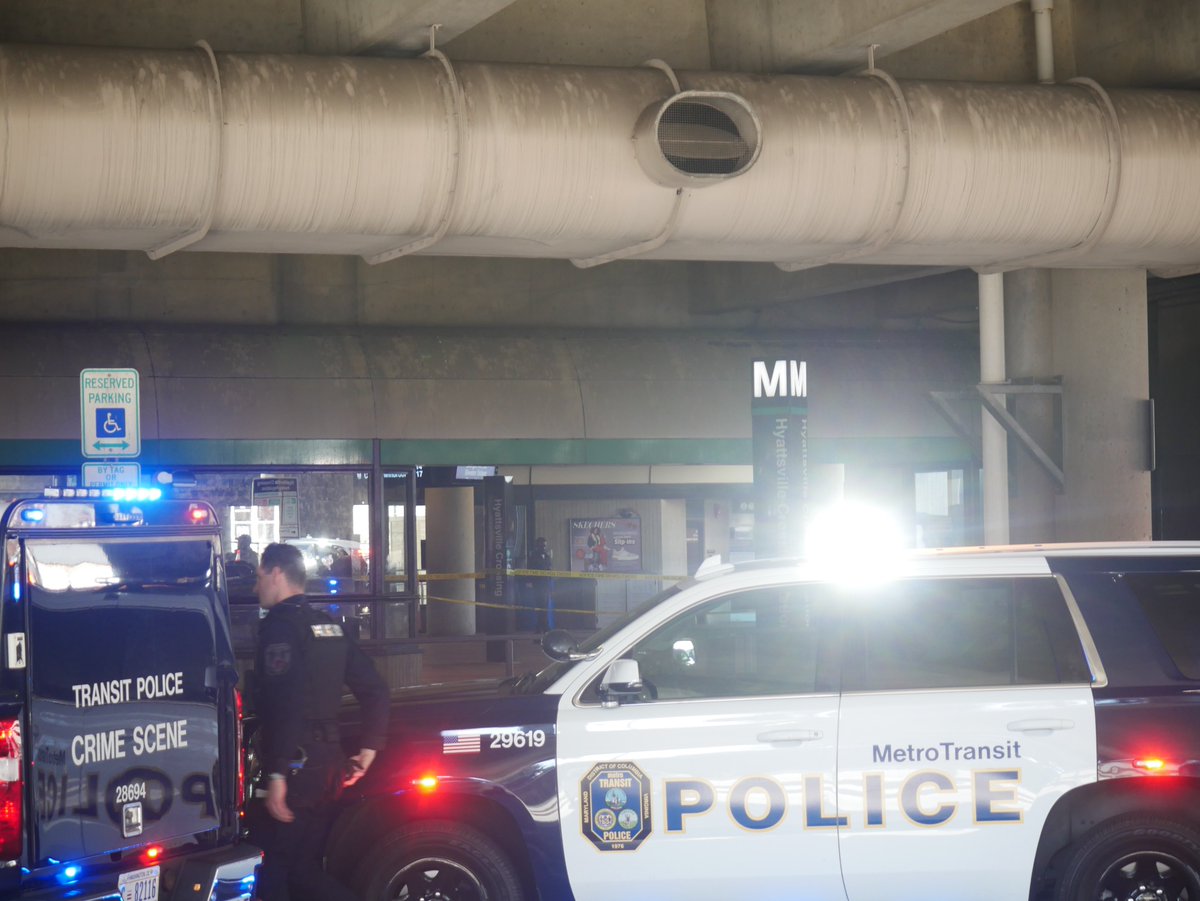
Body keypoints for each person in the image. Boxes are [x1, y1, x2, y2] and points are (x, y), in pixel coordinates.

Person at [249, 543, 389, 901]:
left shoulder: (280, 630)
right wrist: (368, 751)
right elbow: (374, 688)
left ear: (277, 573)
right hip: (330, 768)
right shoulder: (328, 628)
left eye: (259, 576)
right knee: (304, 867)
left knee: (274, 871)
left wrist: (277, 772)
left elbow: (285, 702)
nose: (255, 587)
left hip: (296, 769)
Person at [527, 536, 554, 632]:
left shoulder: (547, 557)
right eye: (541, 545)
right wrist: (530, 582)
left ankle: (543, 627)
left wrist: (550, 586)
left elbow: (550, 570)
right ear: (537, 546)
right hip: (537, 585)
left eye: (544, 545)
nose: (543, 547)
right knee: (539, 607)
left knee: (545, 607)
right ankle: (541, 627)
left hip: (546, 585)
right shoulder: (533, 556)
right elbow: (529, 570)